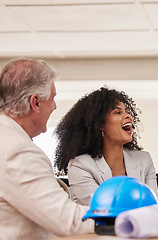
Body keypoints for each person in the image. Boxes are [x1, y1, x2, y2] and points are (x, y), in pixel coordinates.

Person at [0, 58, 94, 239]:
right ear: (35, 102)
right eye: (52, 98)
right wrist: (129, 217)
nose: (55, 106)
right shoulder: (16, 150)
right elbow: (68, 221)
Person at [54, 87, 158, 206]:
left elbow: (154, 206)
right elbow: (104, 208)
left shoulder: (144, 160)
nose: (128, 116)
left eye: (127, 111)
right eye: (118, 112)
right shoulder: (80, 166)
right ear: (100, 124)